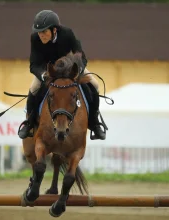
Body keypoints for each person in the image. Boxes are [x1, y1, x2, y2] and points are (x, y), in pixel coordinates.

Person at [18, 10, 106, 140]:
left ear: (54, 30)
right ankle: (29, 122)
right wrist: (43, 75)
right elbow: (33, 65)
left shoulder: (67, 34)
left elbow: (81, 56)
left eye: (44, 32)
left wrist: (77, 71)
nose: (41, 35)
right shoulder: (35, 39)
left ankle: (94, 122)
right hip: (48, 71)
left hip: (70, 68)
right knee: (33, 89)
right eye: (39, 32)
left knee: (95, 85)